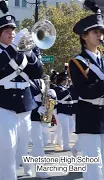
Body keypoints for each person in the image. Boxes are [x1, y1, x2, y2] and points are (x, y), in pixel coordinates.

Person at [0, 1, 43, 179]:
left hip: (24, 106)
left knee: (21, 151)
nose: (12, 34)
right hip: (1, 105)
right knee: (7, 149)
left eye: (13, 31)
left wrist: (31, 53)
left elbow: (38, 72)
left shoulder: (22, 52)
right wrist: (14, 47)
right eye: (8, 32)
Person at [68, 1, 104, 179]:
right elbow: (85, 92)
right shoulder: (77, 62)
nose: (100, 36)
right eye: (95, 32)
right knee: (94, 169)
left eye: (101, 32)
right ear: (84, 36)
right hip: (88, 116)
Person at [29, 77, 56, 179]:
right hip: (32, 116)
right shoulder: (27, 80)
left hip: (43, 115)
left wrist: (51, 97)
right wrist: (35, 109)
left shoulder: (41, 81)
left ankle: (27, 160)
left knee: (44, 141)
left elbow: (44, 97)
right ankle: (41, 171)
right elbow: (25, 99)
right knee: (39, 143)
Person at [53, 65, 74, 151]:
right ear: (61, 80)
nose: (66, 81)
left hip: (68, 110)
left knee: (72, 127)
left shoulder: (66, 88)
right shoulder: (58, 88)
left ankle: (60, 138)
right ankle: (66, 145)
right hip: (61, 111)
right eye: (65, 80)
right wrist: (72, 86)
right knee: (65, 129)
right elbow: (63, 96)